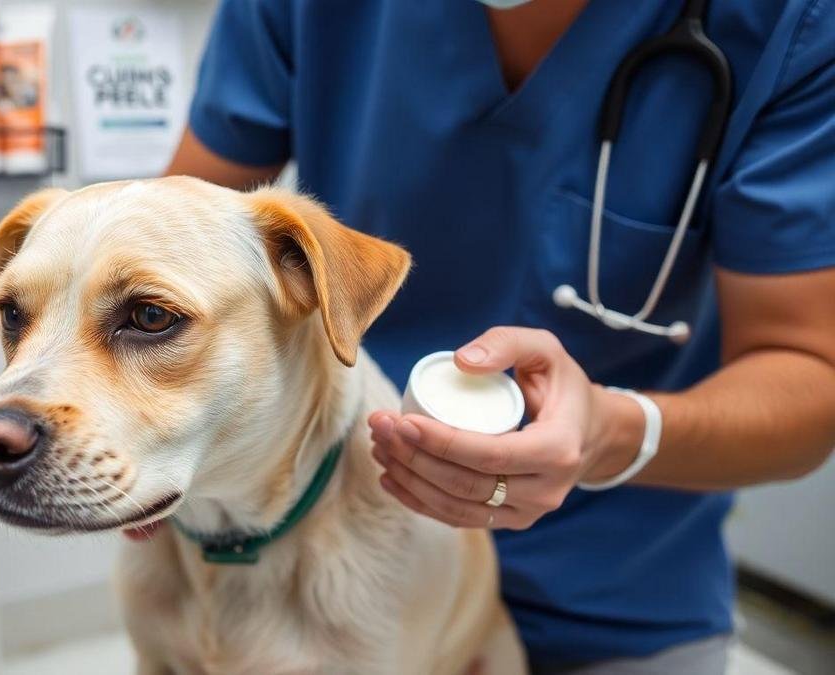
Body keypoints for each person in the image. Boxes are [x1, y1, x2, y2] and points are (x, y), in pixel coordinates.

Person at [163, 0, 835, 672]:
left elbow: (808, 373)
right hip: (322, 547)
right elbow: (163, 242)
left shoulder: (789, 23)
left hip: (615, 594)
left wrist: (610, 433)